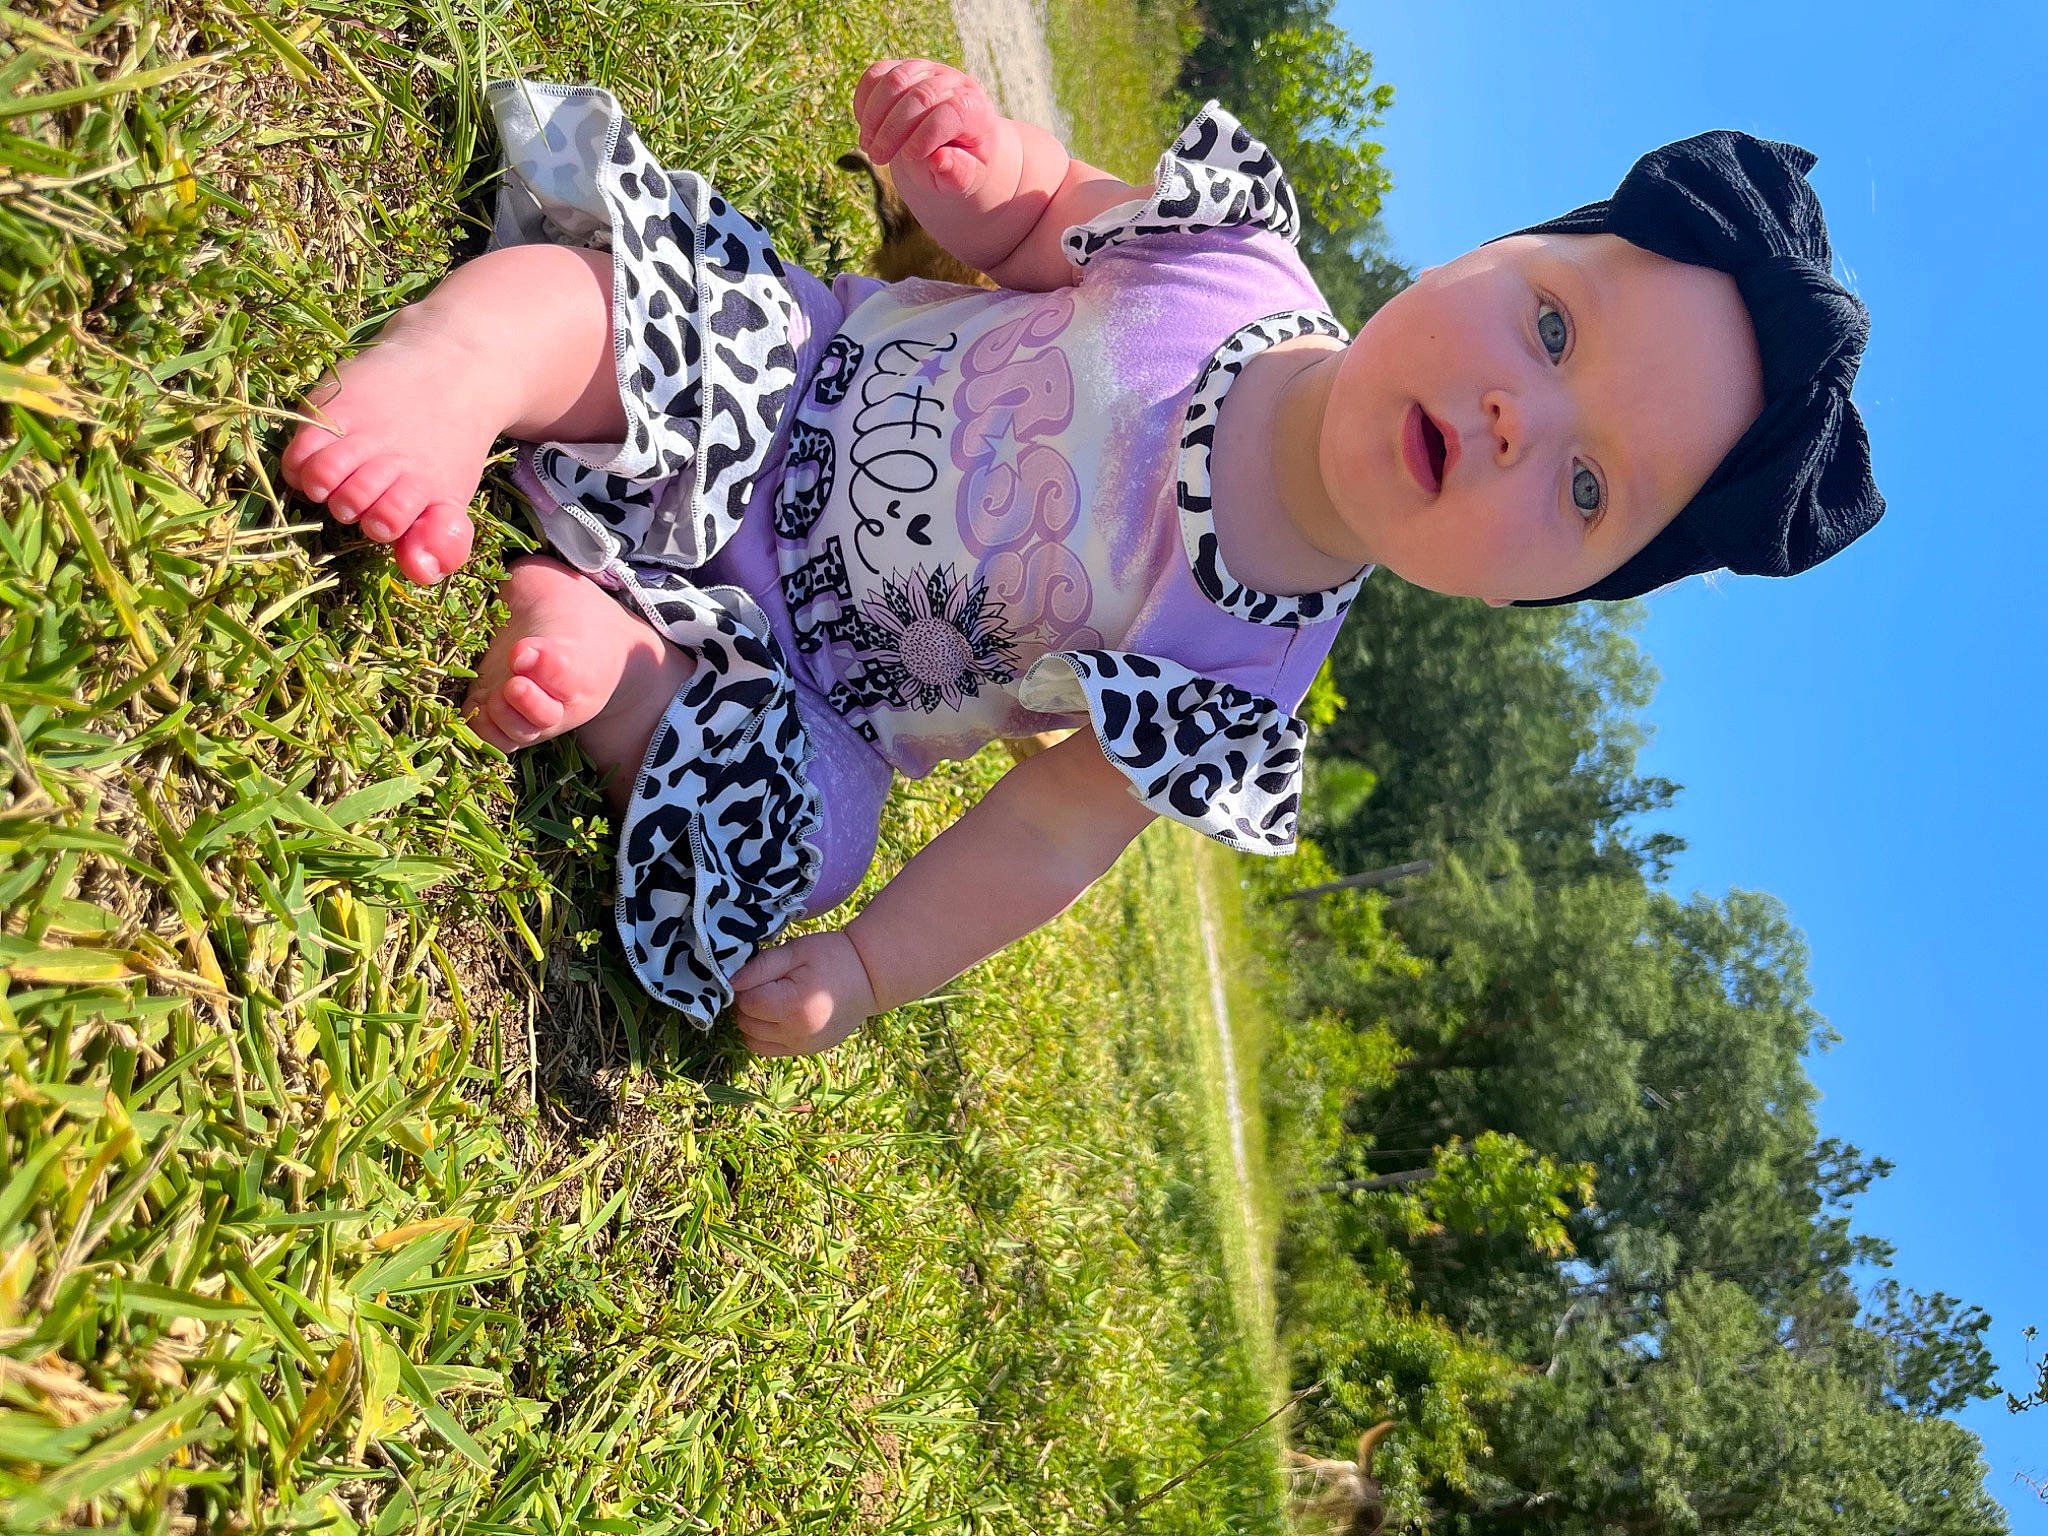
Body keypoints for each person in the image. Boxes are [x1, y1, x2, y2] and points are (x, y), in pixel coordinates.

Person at [278, 59, 1883, 1056]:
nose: (1519, 416)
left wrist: (869, 967)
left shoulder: (1241, 687)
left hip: (827, 696)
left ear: (1544, 597)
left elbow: (1046, 835)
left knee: (802, 844)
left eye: (1591, 487)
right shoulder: (1225, 258)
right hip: (794, 392)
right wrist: (963, 165)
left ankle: (627, 672)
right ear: (1489, 251)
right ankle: (451, 385)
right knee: (617, 308)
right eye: (1549, 324)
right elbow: (1035, 216)